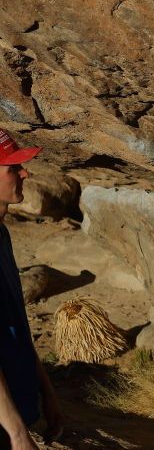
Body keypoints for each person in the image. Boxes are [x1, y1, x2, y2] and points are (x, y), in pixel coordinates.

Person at [0, 129, 65, 450]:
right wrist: (16, 433)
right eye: (13, 168)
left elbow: (15, 325)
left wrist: (47, 394)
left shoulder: (2, 236)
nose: (25, 173)